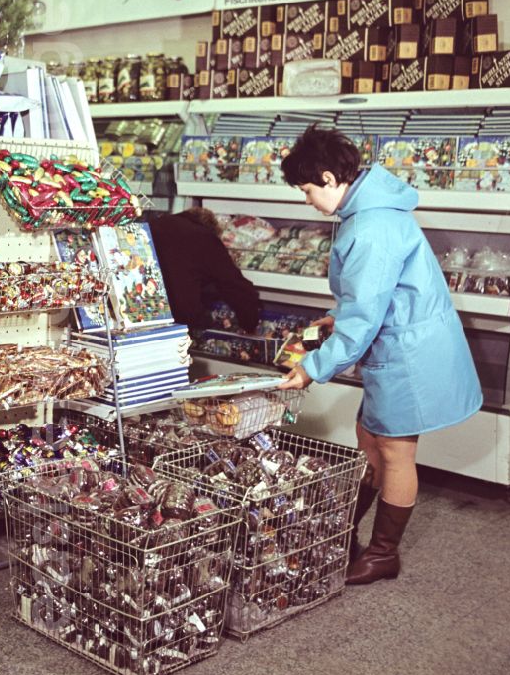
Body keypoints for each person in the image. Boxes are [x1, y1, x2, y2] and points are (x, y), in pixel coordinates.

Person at [277, 126, 482, 585]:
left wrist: (312, 368)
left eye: (307, 189)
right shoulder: (368, 212)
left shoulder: (371, 226)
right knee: (370, 443)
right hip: (396, 346)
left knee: (393, 451)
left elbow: (367, 315)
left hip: (406, 357)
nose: (306, 200)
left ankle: (384, 553)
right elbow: (371, 297)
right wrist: (338, 317)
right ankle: (343, 534)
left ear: (329, 178)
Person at [147, 208, 261, 333]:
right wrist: (250, 323)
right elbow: (234, 285)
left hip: (145, 310)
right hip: (180, 320)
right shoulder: (204, 237)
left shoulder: (156, 224)